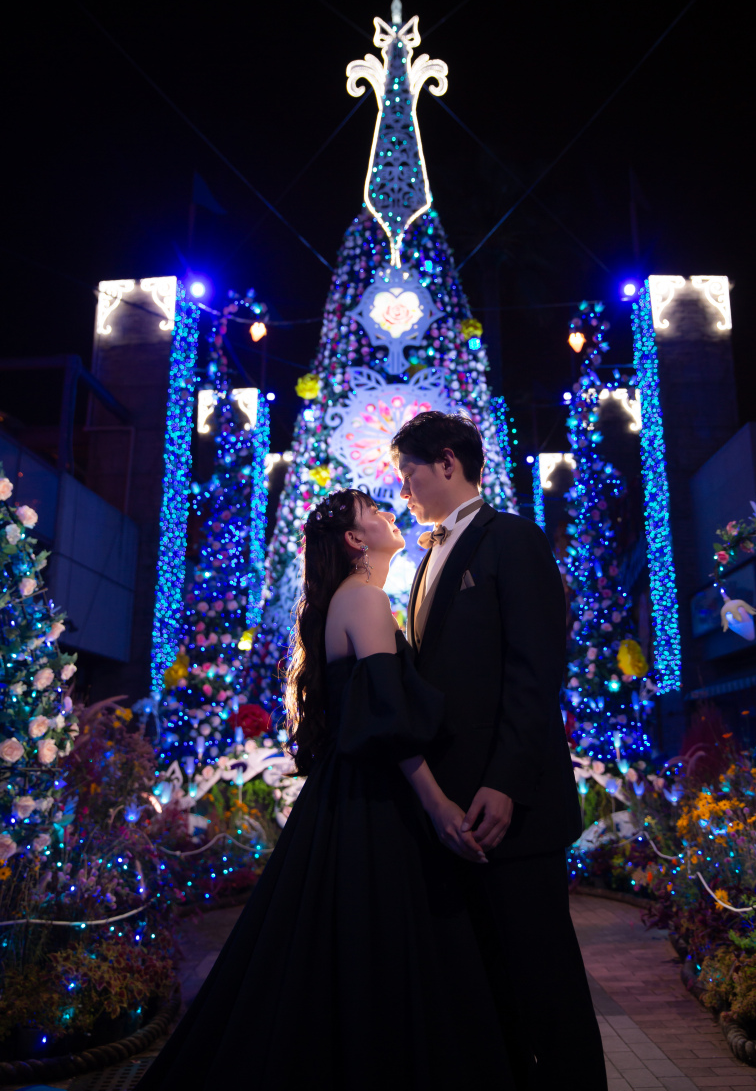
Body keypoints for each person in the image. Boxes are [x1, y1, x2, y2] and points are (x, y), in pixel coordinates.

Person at [136, 488, 517, 1091]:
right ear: (354, 540)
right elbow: (388, 718)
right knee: (380, 948)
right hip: (373, 799)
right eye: (374, 512)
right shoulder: (364, 599)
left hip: (350, 795)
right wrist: (436, 802)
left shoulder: (354, 599)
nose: (389, 514)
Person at [391, 409, 608, 1090]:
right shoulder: (426, 560)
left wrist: (506, 782)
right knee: (491, 995)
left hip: (515, 810)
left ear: (449, 461)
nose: (404, 491)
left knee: (546, 985)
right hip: (458, 819)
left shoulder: (510, 538)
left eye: (410, 474)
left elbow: (535, 669)